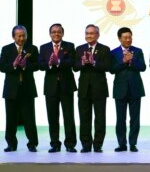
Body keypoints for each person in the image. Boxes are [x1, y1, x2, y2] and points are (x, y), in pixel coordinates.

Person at [38, 23, 77, 153]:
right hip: (50, 87)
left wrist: (59, 62)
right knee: (52, 117)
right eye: (53, 32)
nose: (56, 34)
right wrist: (49, 64)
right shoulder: (43, 48)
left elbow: (72, 62)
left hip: (66, 86)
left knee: (69, 116)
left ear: (62, 33)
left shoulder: (69, 46)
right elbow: (40, 65)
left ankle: (70, 144)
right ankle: (55, 143)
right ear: (50, 34)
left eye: (59, 32)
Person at [0, 25, 39, 152]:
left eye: (24, 35)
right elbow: (2, 67)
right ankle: (11, 144)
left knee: (29, 118)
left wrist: (25, 65)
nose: (22, 38)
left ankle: (32, 144)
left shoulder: (32, 49)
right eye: (19, 36)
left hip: (27, 89)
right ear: (13, 36)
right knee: (10, 118)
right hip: (11, 90)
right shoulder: (6, 49)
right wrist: (14, 65)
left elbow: (37, 65)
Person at [73, 24, 111, 153]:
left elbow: (107, 66)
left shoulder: (105, 49)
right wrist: (83, 63)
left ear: (98, 35)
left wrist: (94, 62)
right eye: (87, 33)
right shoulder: (79, 49)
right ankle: (86, 145)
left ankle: (98, 144)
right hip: (84, 89)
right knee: (84, 118)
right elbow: (75, 67)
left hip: (99, 89)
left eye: (92, 33)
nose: (89, 35)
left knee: (100, 118)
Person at [111, 27, 146, 152]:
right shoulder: (114, 52)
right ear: (119, 38)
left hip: (135, 89)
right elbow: (112, 69)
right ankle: (122, 144)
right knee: (120, 118)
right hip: (120, 89)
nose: (128, 39)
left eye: (130, 37)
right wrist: (124, 61)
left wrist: (131, 62)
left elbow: (143, 67)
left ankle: (133, 143)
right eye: (125, 37)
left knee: (135, 118)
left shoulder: (138, 51)